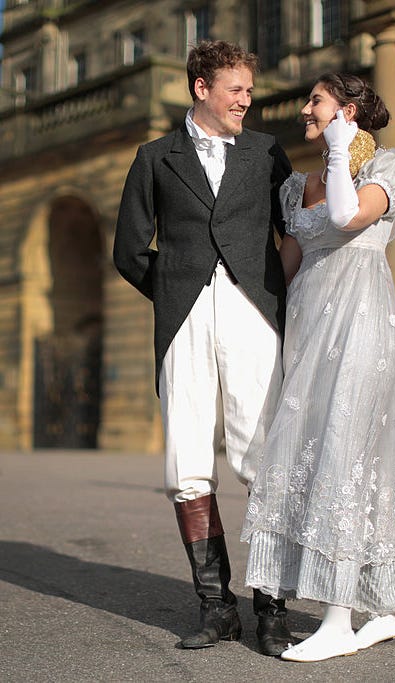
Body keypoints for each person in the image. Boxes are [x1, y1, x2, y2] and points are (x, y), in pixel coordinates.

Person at [113, 40, 294, 656]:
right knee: (186, 460)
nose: (246, 100)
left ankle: (271, 607)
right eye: (235, 89)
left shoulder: (266, 152)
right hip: (184, 316)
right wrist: (175, 290)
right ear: (202, 88)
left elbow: (293, 229)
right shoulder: (154, 157)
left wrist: (274, 293)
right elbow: (129, 250)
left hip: (253, 313)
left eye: (249, 90)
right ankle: (217, 607)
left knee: (262, 454)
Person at [241, 72, 395, 662]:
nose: (304, 109)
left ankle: (339, 621)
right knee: (311, 454)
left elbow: (346, 217)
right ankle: (386, 609)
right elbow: (286, 266)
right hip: (309, 329)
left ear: (347, 110)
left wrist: (341, 148)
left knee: (345, 453)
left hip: (361, 323)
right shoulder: (298, 187)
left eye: (315, 101)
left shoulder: (385, 167)